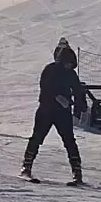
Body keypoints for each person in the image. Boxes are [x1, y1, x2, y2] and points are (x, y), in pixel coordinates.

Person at [23, 50, 85, 185]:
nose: (69, 66)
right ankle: (26, 166)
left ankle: (77, 172)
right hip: (46, 109)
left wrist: (79, 109)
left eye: (71, 64)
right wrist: (56, 96)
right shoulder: (50, 69)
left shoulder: (71, 74)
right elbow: (45, 86)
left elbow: (78, 90)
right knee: (37, 137)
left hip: (63, 112)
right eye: (68, 63)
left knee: (69, 140)